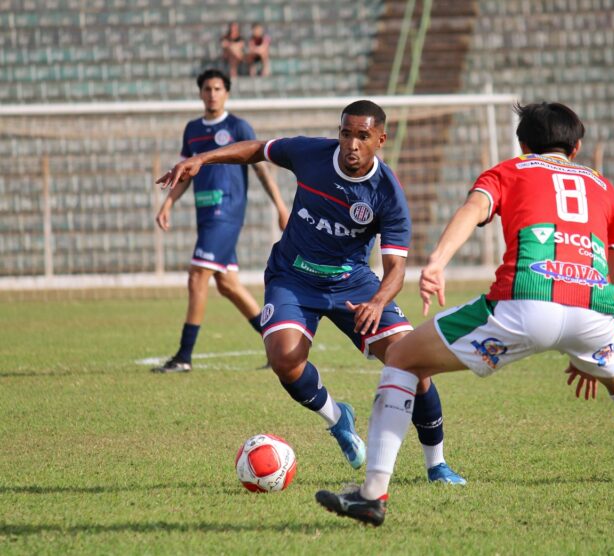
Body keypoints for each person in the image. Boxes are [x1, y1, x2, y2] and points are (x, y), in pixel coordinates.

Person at [315, 101, 614, 528]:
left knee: (402, 359)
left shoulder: (510, 170)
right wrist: (594, 346)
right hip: (596, 313)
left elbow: (473, 210)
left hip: (523, 303)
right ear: (577, 146)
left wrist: (436, 262)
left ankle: (371, 495)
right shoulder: (604, 188)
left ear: (523, 144)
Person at [156, 100, 465, 483]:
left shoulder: (387, 193)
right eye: (346, 133)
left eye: (362, 136)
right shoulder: (312, 154)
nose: (351, 144)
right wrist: (203, 158)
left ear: (380, 140)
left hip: (353, 284)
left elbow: (396, 270)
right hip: (293, 275)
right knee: (285, 359)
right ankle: (338, 419)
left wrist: (378, 300)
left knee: (412, 363)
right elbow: (258, 149)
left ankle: (437, 464)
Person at [152, 68, 289, 374]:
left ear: (227, 92)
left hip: (226, 213)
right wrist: (168, 204)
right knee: (227, 285)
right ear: (200, 93)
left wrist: (280, 205)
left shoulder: (238, 126)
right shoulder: (192, 130)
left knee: (197, 276)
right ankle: (277, 345)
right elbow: (186, 173)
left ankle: (184, 356)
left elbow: (261, 169)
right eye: (207, 89)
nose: (212, 94)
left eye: (217, 88)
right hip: (206, 214)